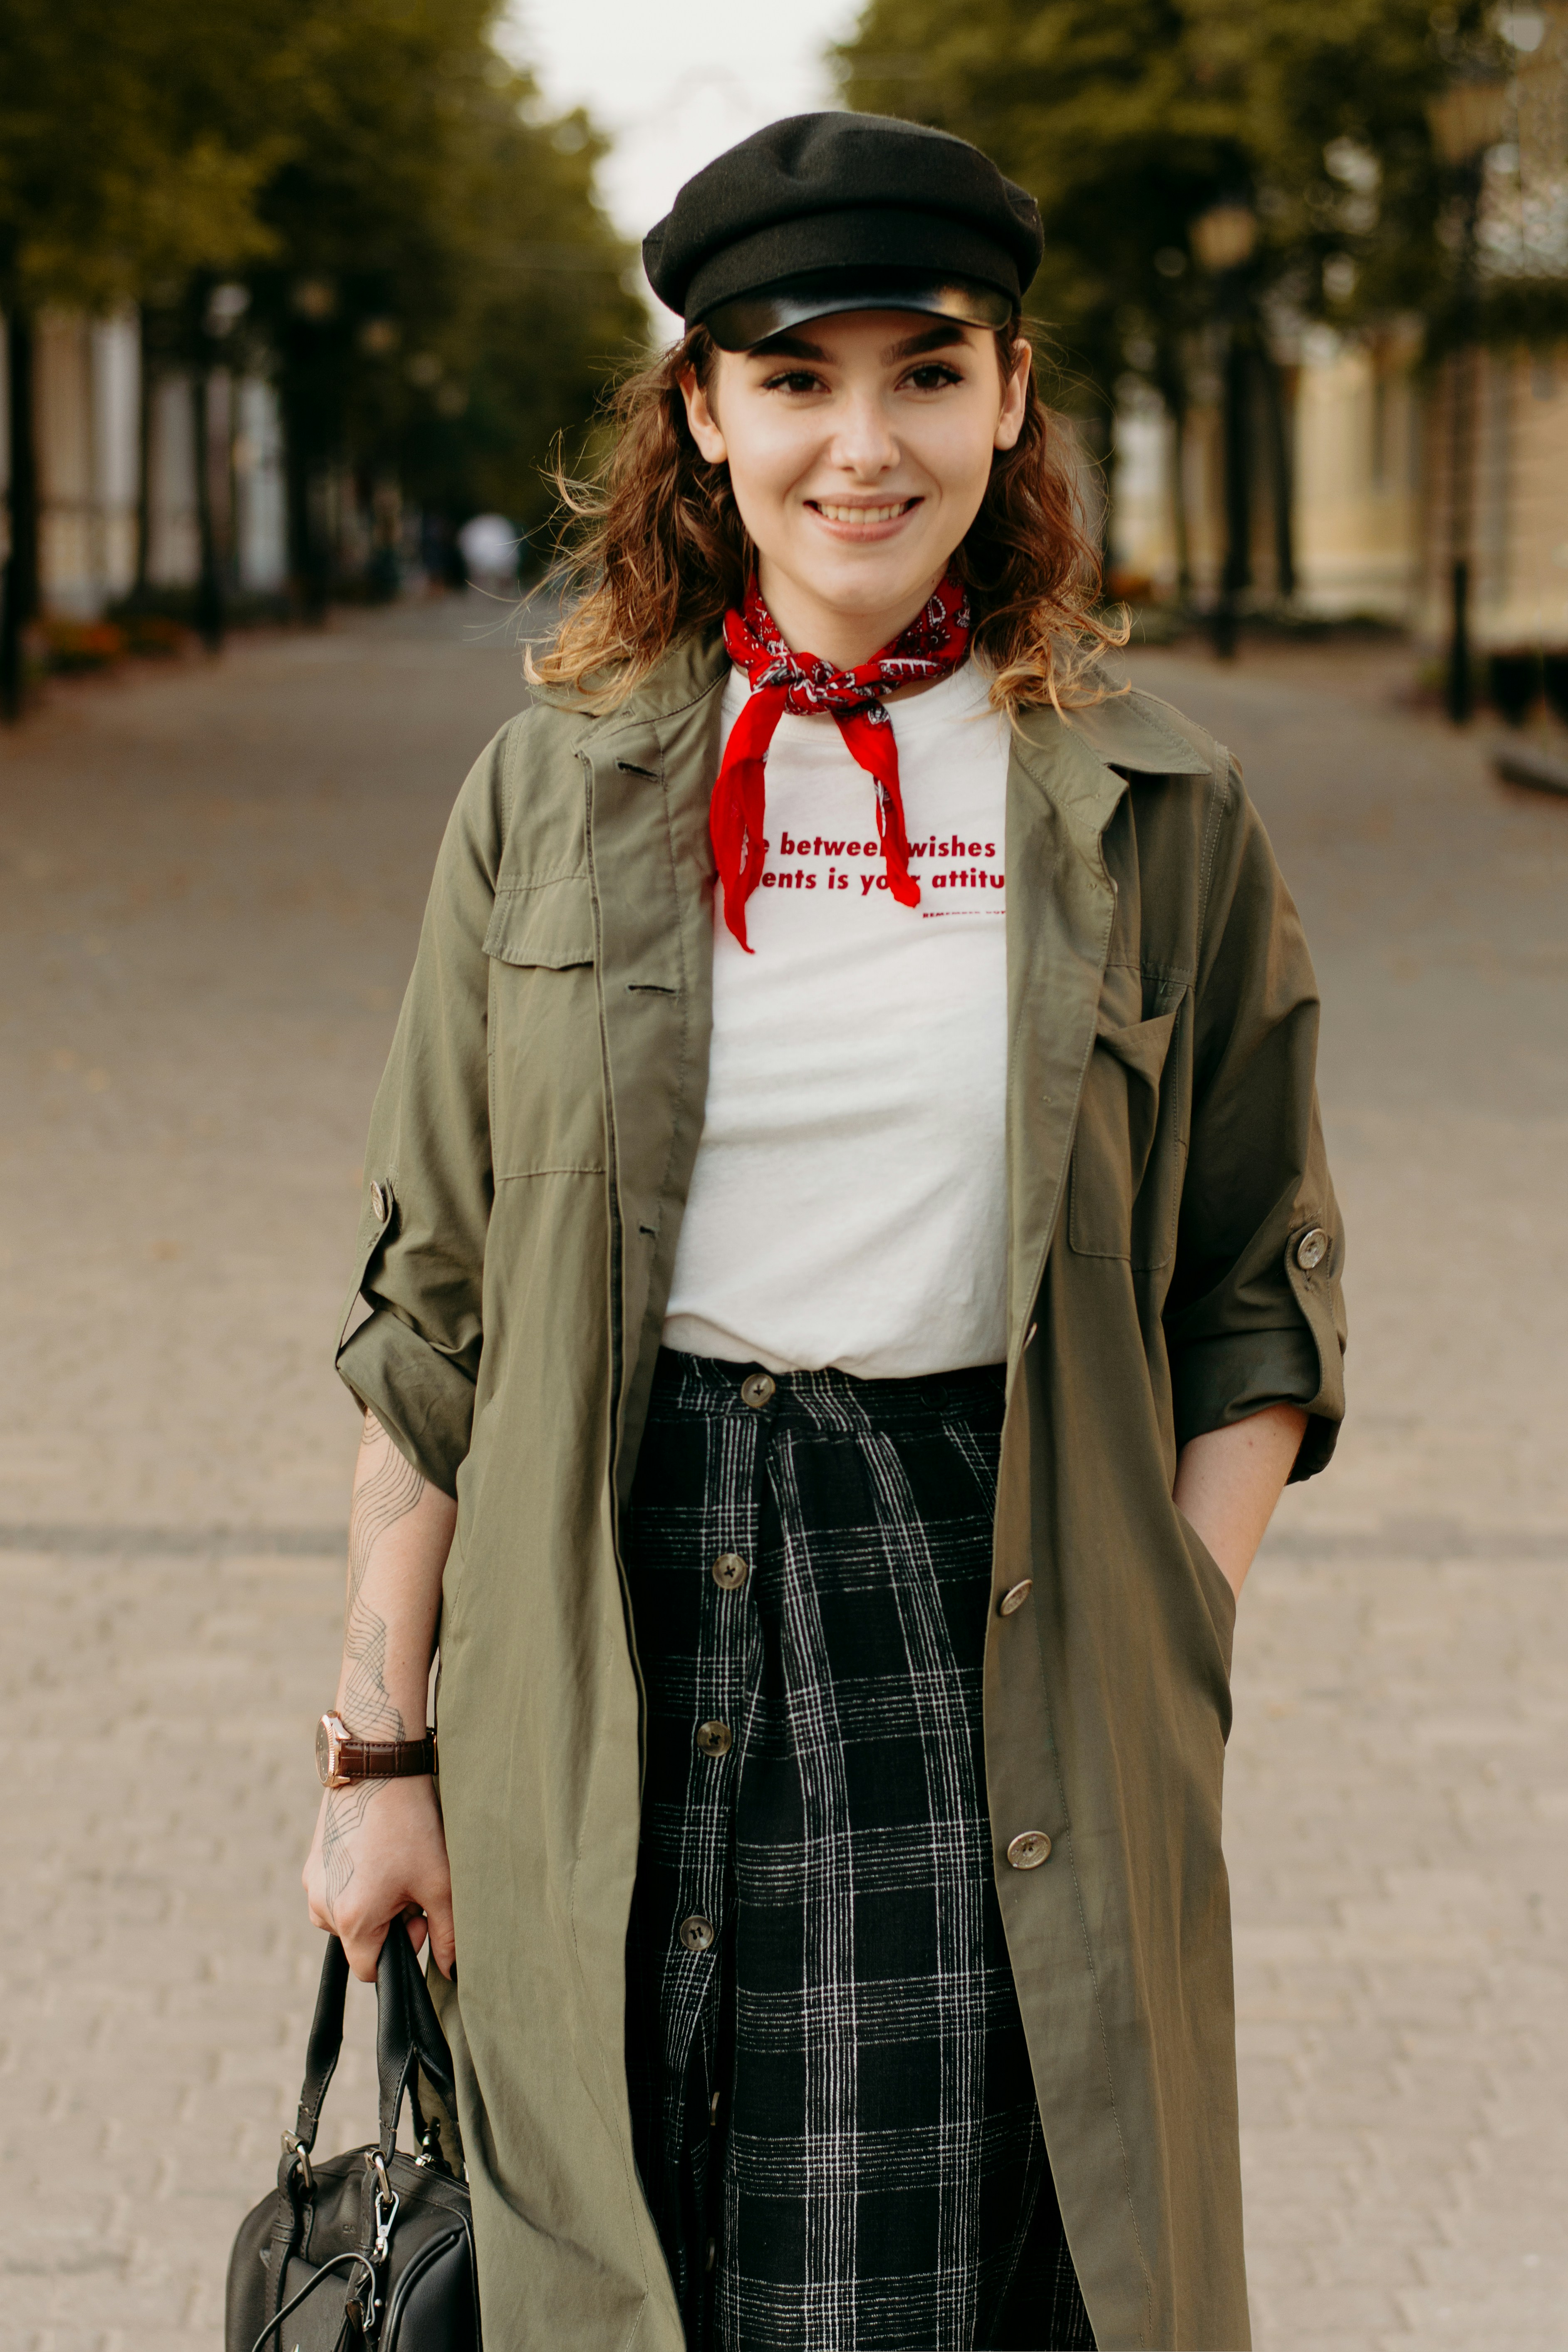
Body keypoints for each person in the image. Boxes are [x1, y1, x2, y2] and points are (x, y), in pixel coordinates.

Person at [302, 111, 1345, 2352]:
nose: (860, 445)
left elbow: (1259, 1288)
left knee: (934, 2277)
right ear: (701, 410)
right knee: (615, 2257)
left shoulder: (1158, 811)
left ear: (1013, 392)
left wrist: (1167, 1637)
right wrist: (381, 1758)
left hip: (981, 1617)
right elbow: (437, 1307)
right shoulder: (552, 793)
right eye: (794, 377)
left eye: (925, 372)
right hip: (605, 1620)